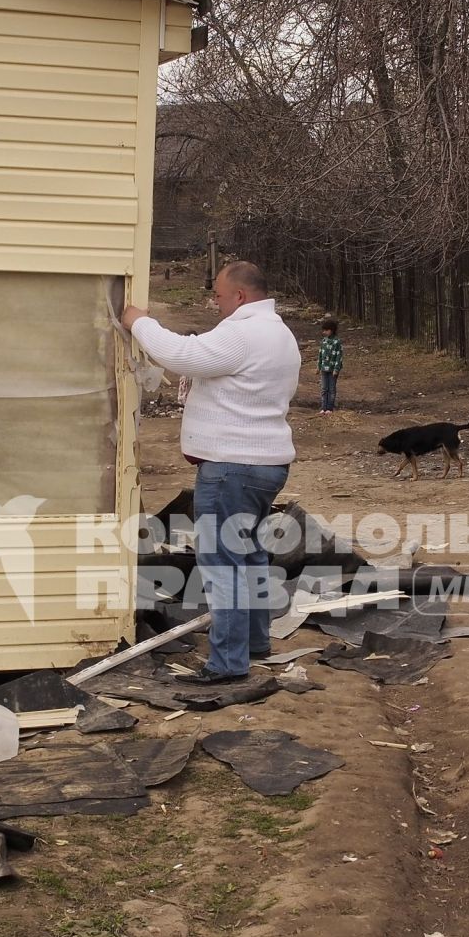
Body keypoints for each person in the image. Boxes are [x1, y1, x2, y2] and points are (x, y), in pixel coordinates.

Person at [122, 262, 299, 683]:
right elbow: (202, 353)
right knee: (249, 555)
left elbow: (184, 355)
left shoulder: (243, 332)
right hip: (264, 465)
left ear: (239, 295)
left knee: (222, 565)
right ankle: (255, 641)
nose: (214, 303)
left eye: (218, 295)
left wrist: (139, 323)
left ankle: (228, 663)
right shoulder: (278, 332)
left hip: (232, 468)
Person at [316, 318, 343, 414]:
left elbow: (339, 356)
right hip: (324, 368)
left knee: (331, 389)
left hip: (332, 369)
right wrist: (318, 366)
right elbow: (320, 354)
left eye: (326, 330)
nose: (324, 332)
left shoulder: (337, 342)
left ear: (331, 330)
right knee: (324, 388)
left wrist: (336, 368)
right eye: (323, 330)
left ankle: (330, 408)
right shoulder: (323, 341)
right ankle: (323, 407)